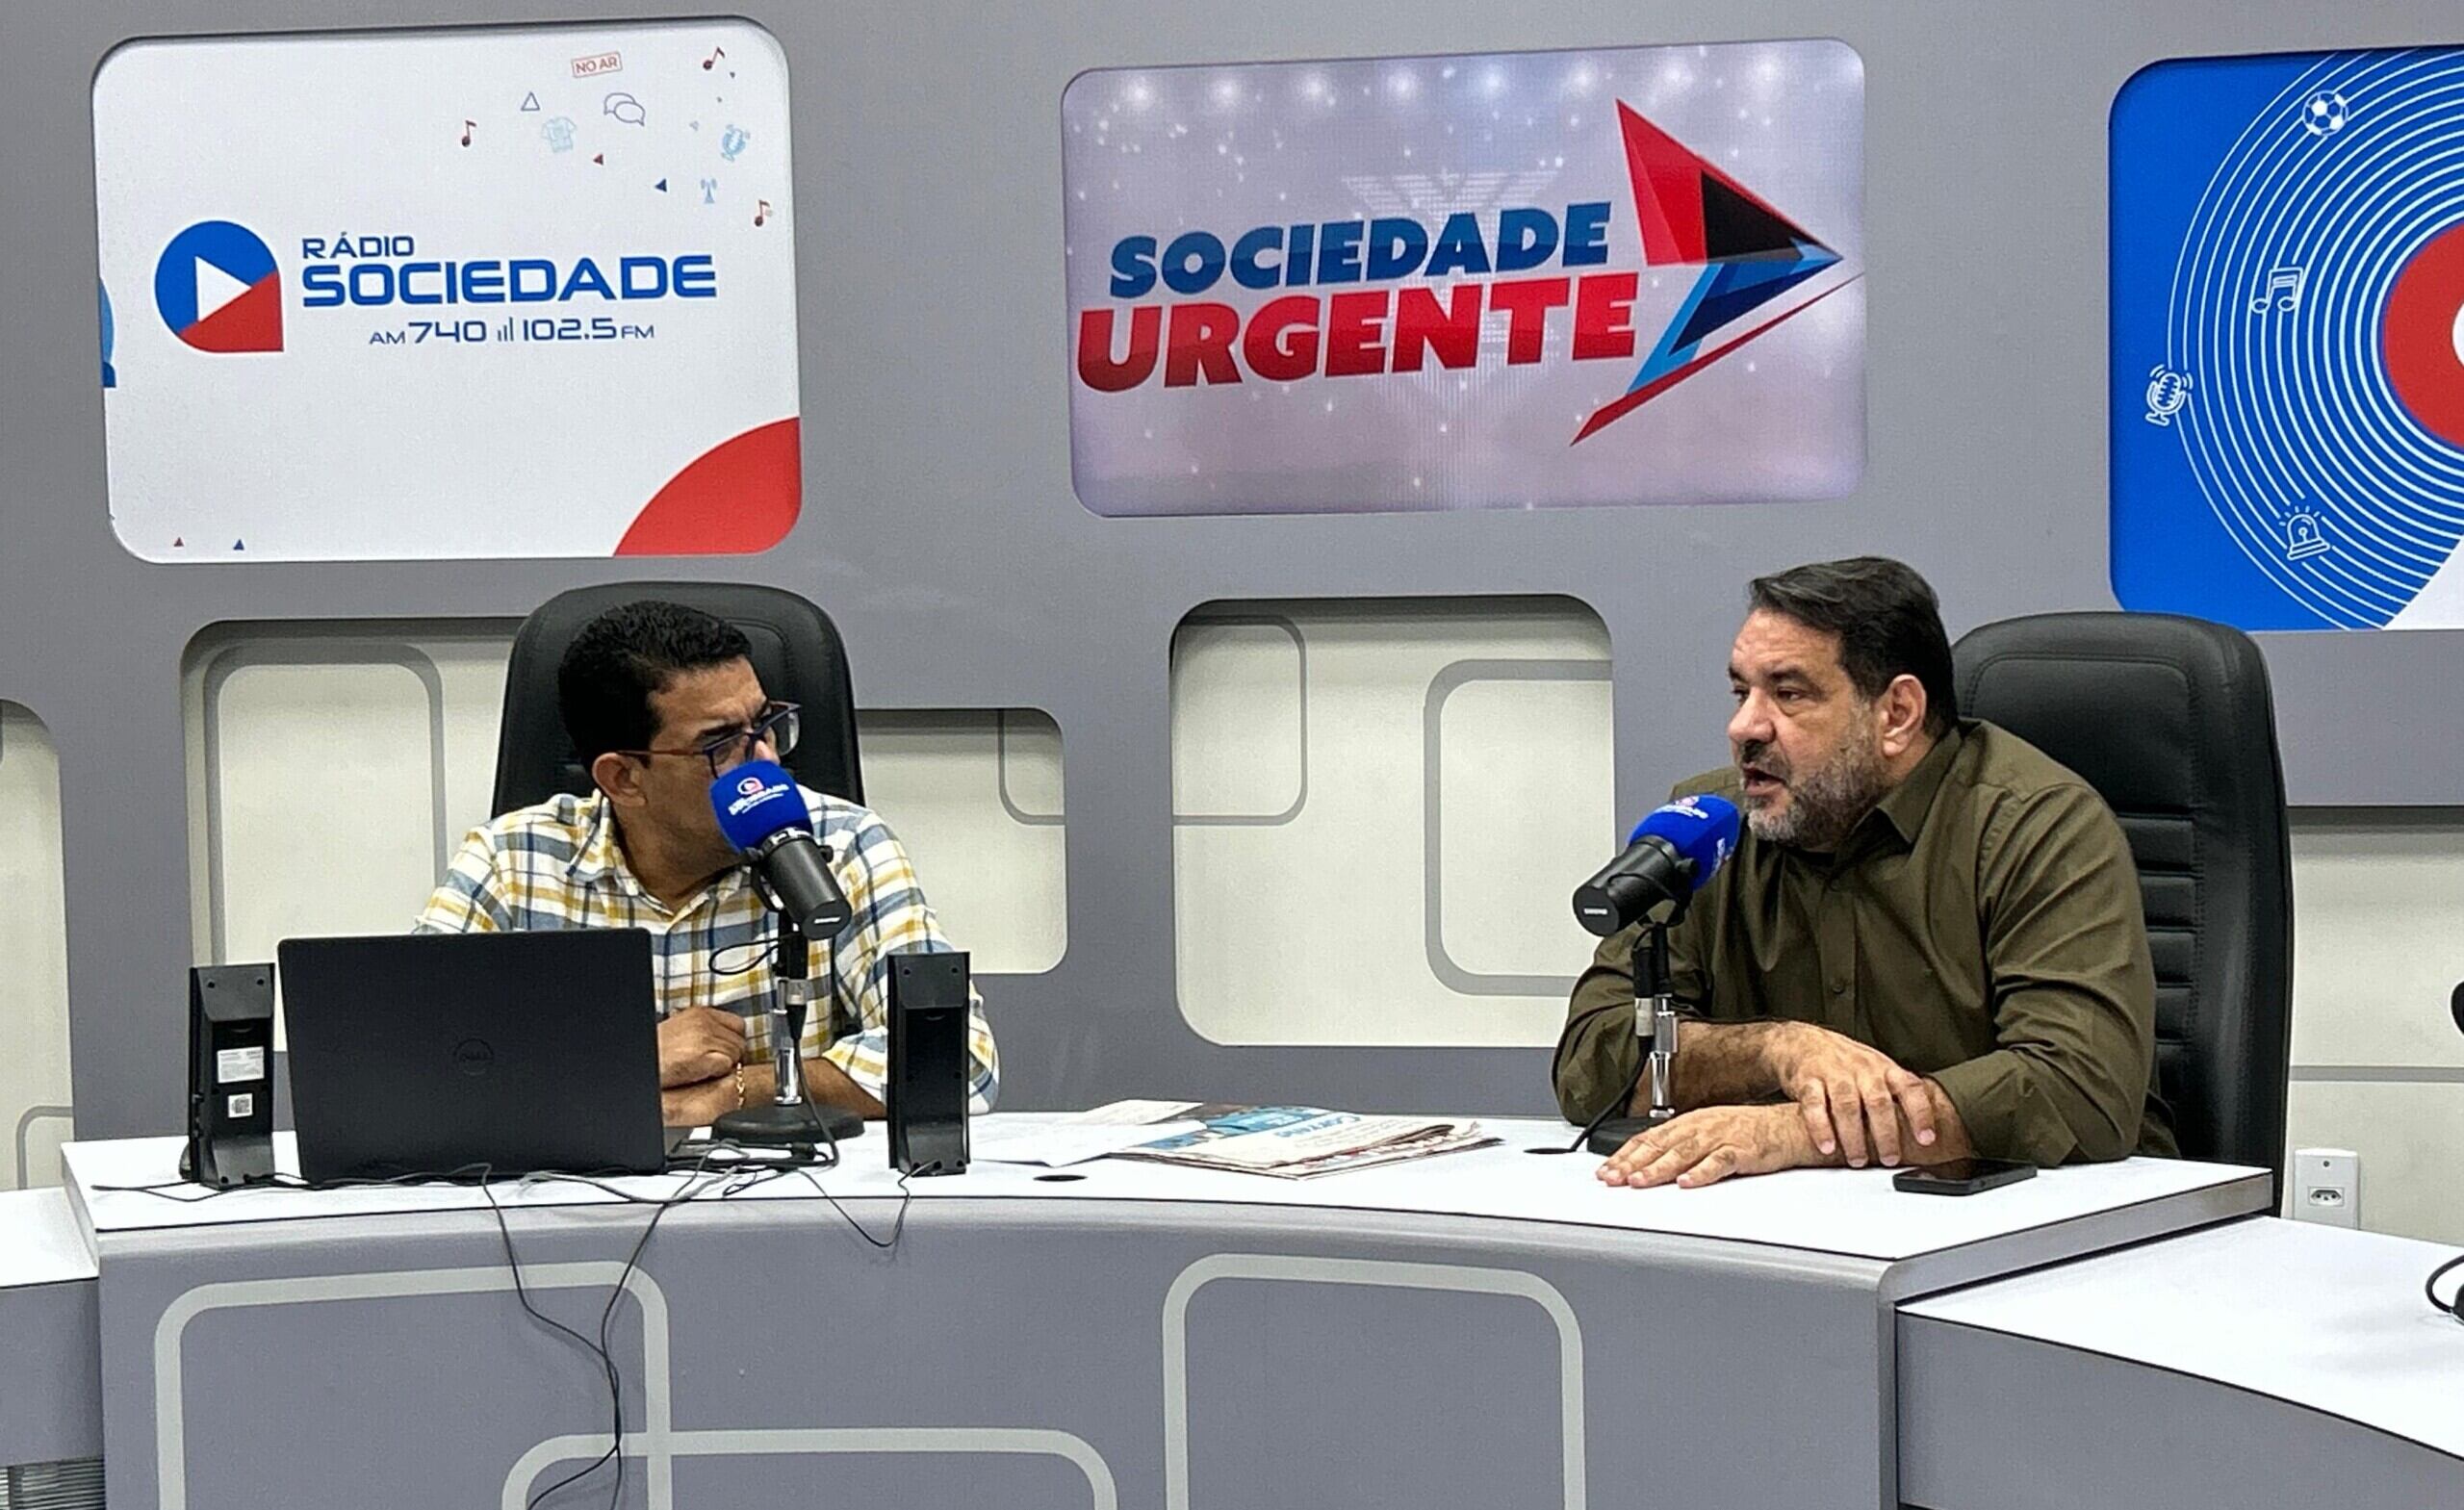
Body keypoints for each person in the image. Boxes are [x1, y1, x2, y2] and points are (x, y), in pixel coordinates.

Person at [1553, 557, 2173, 1190]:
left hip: (2049, 1219)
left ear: (1897, 713)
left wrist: (1794, 1133)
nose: (1743, 727)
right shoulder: (1707, 833)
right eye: (1742, 692)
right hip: (1790, 1220)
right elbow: (1588, 1067)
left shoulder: (2036, 826)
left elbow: (2080, 1087)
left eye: (1789, 693)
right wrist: (1774, 1050)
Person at [417, 600, 997, 1127]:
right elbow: (407, 1065)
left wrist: (738, 1092)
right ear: (623, 778)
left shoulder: (841, 844)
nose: (765, 762)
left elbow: (957, 1062)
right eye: (721, 745)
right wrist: (629, 1062)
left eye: (765, 725)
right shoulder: (511, 861)